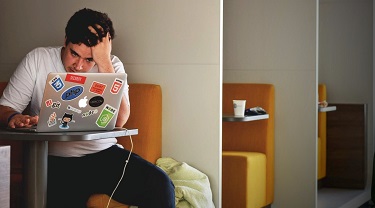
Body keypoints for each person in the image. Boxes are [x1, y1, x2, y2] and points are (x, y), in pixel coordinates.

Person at [0, 8, 175, 208]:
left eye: (89, 59)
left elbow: (120, 120)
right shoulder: (38, 59)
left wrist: (103, 62)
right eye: (74, 54)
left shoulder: (112, 66)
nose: (79, 66)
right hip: (55, 161)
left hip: (104, 156)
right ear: (65, 40)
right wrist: (14, 117)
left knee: (161, 185)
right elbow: (5, 108)